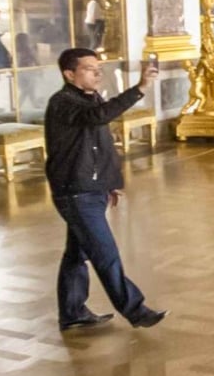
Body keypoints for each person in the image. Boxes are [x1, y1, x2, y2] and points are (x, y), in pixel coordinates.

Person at [45, 48, 166, 331]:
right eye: (89, 68)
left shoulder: (89, 98)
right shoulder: (62, 102)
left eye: (98, 68)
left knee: (77, 253)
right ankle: (135, 310)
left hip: (92, 187)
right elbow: (98, 117)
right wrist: (139, 88)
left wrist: (111, 182)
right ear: (69, 74)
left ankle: (72, 312)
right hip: (75, 190)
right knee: (105, 252)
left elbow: (102, 143)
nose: (98, 73)